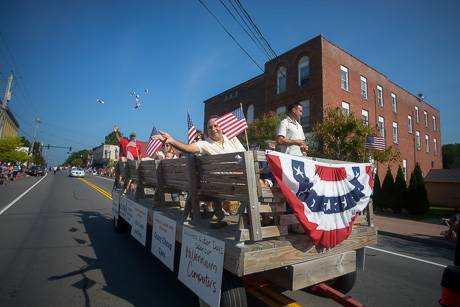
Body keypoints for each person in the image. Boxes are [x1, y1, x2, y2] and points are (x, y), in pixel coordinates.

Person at [153, 116, 245, 155]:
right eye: (210, 127)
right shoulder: (206, 144)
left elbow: (245, 155)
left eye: (216, 126)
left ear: (222, 127)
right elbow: (188, 148)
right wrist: (172, 140)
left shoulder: (232, 137)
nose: (213, 129)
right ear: (207, 131)